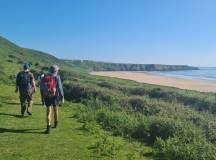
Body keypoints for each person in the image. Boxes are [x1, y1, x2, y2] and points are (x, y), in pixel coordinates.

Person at [41, 65, 64, 134]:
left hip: (47, 96)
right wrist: (62, 97)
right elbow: (59, 88)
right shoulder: (57, 77)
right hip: (55, 96)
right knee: (55, 109)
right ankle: (56, 123)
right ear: (56, 71)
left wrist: (43, 96)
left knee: (48, 112)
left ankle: (48, 128)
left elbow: (42, 88)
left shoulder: (45, 77)